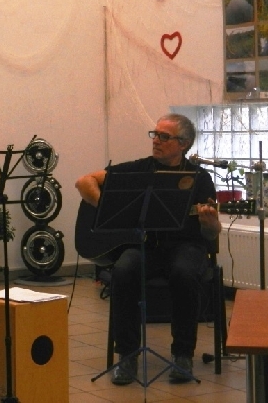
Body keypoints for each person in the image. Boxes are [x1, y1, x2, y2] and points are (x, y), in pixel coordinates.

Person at [75, 113, 221, 386]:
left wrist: (210, 222)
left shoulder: (199, 178)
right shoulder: (138, 170)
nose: (156, 141)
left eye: (164, 137)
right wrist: (109, 209)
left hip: (186, 246)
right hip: (145, 246)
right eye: (155, 134)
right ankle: (127, 355)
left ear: (183, 144)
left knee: (184, 272)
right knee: (123, 269)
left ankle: (183, 355)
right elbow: (84, 182)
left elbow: (211, 234)